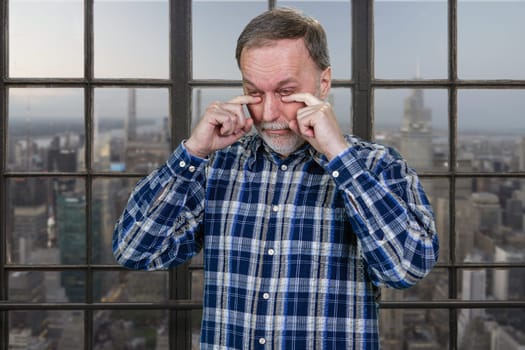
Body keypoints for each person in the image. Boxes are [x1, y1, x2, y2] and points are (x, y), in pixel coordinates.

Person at [113, 7, 439, 349]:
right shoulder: (215, 168)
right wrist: (192, 152)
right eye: (254, 92)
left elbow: (406, 270)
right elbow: (134, 250)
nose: (268, 113)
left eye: (285, 92)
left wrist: (341, 159)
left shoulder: (377, 166)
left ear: (323, 83)